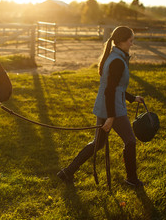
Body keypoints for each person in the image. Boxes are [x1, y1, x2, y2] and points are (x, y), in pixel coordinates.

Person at [57, 26, 144, 187]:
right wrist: (111, 117)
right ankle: (132, 179)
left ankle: (67, 172)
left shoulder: (113, 57)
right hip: (113, 109)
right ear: (122, 41)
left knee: (98, 143)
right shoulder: (117, 61)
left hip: (105, 106)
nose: (132, 44)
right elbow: (110, 91)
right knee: (130, 141)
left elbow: (114, 87)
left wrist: (132, 98)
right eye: (131, 41)